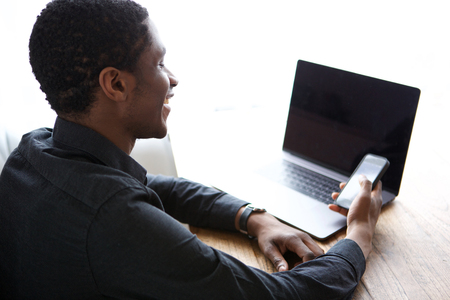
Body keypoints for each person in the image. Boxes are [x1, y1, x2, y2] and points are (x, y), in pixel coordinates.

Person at [0, 0, 383, 299]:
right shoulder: (113, 219)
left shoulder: (35, 152)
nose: (173, 79)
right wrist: (359, 236)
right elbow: (285, 295)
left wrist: (253, 217)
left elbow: (157, 186)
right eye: (160, 62)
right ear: (115, 84)